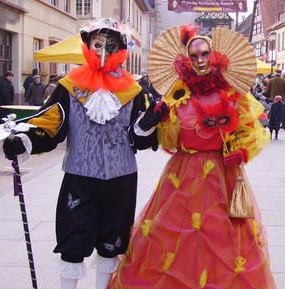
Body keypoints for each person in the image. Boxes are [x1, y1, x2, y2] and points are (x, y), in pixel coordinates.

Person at [1, 18, 165, 289]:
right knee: (73, 239)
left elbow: (136, 137)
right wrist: (25, 140)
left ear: (121, 49)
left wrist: (149, 122)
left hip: (122, 178)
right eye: (98, 44)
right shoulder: (69, 86)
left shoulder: (134, 91)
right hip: (80, 176)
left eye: (110, 45)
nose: (103, 51)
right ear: (88, 45)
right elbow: (52, 123)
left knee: (112, 241)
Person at [109, 25, 276, 289]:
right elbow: (168, 139)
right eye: (194, 56)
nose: (200, 60)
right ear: (185, 60)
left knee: (224, 238)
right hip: (183, 175)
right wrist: (161, 118)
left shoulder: (232, 92)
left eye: (205, 54)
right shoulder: (177, 95)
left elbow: (249, 129)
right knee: (175, 236)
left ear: (214, 55)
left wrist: (241, 151)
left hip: (224, 176)